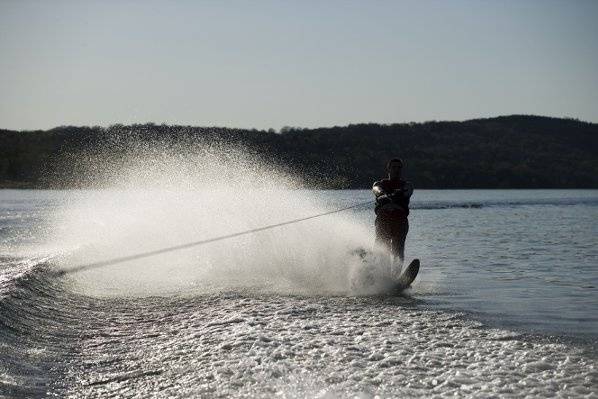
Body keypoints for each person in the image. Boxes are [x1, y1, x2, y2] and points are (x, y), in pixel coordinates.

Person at [372, 158, 413, 270]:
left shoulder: (407, 185)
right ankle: (382, 273)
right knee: (382, 248)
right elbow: (376, 189)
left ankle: (395, 276)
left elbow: (408, 191)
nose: (396, 170)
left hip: (400, 221)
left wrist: (399, 192)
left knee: (398, 249)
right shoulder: (379, 184)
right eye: (394, 167)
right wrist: (382, 194)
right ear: (388, 169)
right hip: (383, 220)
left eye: (399, 168)